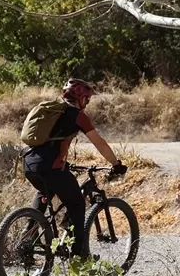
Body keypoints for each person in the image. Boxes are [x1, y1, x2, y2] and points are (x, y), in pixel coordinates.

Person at [22, 78, 125, 258]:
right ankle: (79, 254)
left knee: (45, 191)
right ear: (81, 98)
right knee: (77, 203)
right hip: (50, 166)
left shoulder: (53, 111)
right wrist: (116, 164)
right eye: (87, 99)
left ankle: (28, 236)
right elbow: (99, 143)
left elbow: (53, 142)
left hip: (30, 162)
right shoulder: (77, 115)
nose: (87, 103)